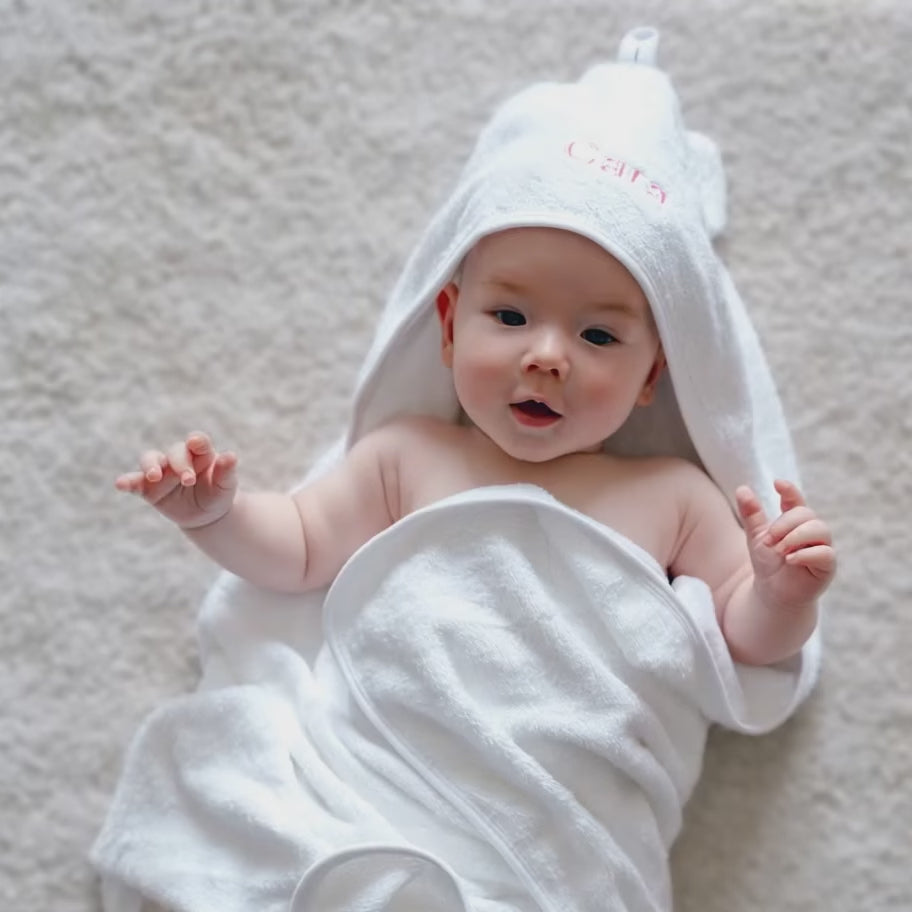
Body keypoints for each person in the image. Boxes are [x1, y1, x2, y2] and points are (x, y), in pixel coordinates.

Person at [116, 224, 835, 668]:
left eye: (598, 336)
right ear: (451, 326)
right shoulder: (409, 456)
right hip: (392, 761)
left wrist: (778, 595)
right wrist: (215, 516)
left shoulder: (671, 495)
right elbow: (299, 549)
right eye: (512, 315)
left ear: (651, 374)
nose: (548, 356)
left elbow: (744, 641)